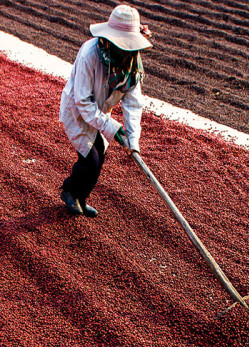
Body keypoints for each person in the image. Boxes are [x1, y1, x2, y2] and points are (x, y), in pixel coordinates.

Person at [59, 5, 153, 217]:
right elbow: (82, 101)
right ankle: (69, 191)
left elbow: (133, 104)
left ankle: (80, 197)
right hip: (79, 110)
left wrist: (133, 140)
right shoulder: (90, 54)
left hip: (100, 113)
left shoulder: (133, 64)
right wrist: (111, 127)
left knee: (99, 157)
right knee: (90, 159)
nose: (127, 50)